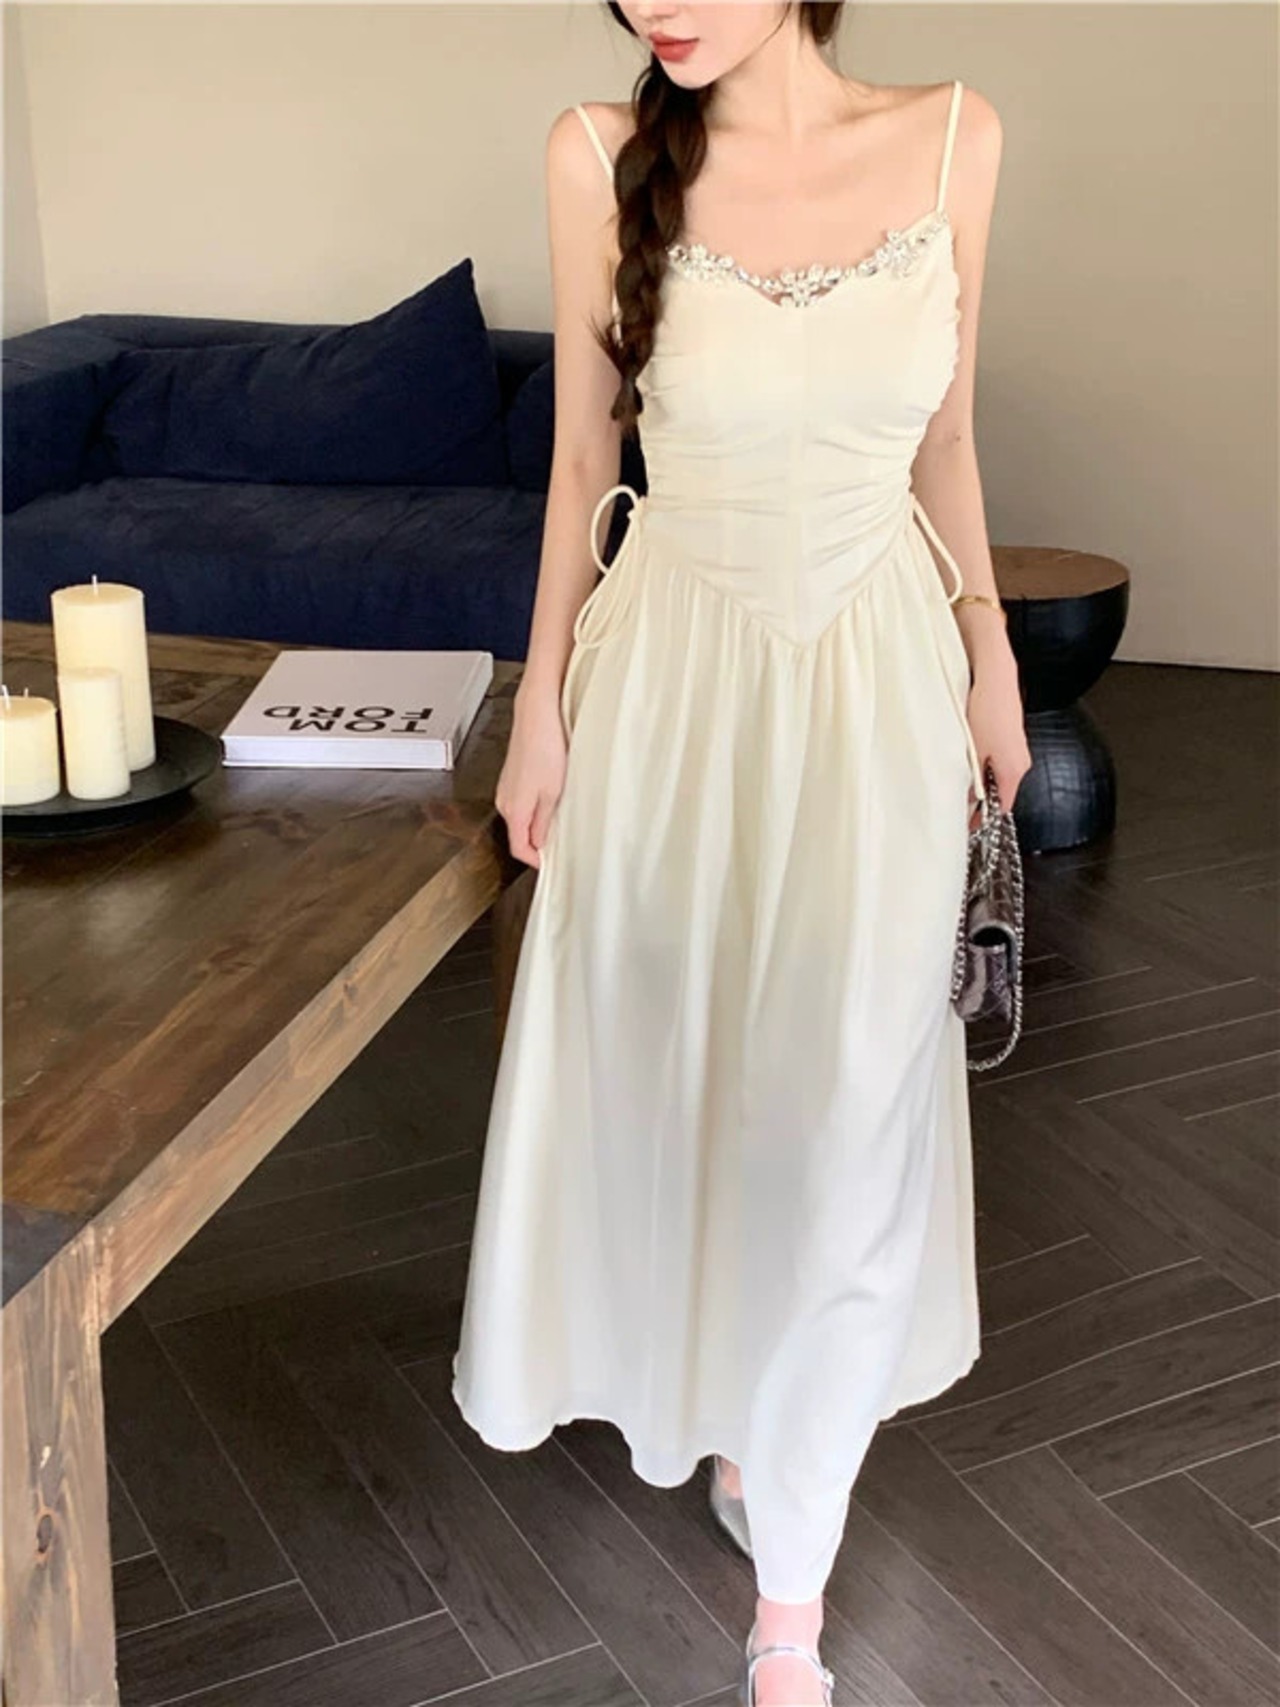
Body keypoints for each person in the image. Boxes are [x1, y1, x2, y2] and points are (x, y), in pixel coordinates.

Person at [452, 5, 1031, 1702]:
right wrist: (542, 701)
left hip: (879, 688)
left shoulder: (954, 139)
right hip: (672, 687)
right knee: (697, 1087)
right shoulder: (597, 155)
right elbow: (582, 458)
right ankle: (739, 1414)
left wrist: (991, 649)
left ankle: (790, 1612)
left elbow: (944, 440)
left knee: (853, 1112)